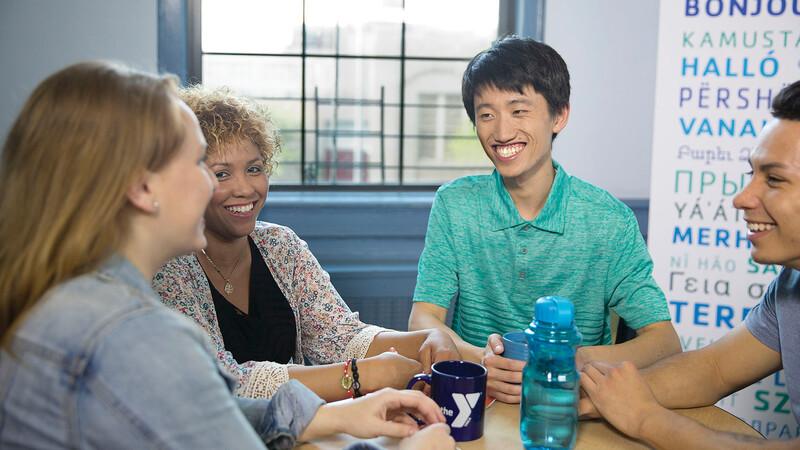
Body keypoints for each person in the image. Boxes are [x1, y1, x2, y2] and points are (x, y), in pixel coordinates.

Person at [0, 61, 454, 450]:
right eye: (200, 163)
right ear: (142, 187)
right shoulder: (135, 334)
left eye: (254, 168)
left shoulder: (75, 297)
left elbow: (206, 409)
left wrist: (330, 417)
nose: (221, 187)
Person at [408, 35, 681, 403]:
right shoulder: (455, 204)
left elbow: (664, 343)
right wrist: (482, 360)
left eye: (519, 111)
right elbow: (423, 318)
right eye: (487, 114)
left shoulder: (608, 219)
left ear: (560, 115)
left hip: (570, 407)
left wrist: (573, 360)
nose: (502, 132)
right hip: (475, 399)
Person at [153, 86, 460, 401]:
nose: (245, 188)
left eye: (254, 169)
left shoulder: (280, 245)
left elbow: (341, 338)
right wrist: (358, 376)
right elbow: (225, 383)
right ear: (188, 181)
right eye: (221, 174)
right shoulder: (167, 266)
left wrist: (426, 338)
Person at [578, 81, 800, 449]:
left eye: (774, 179)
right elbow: (713, 369)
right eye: (753, 175)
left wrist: (646, 418)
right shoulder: (791, 283)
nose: (742, 198)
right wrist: (601, 394)